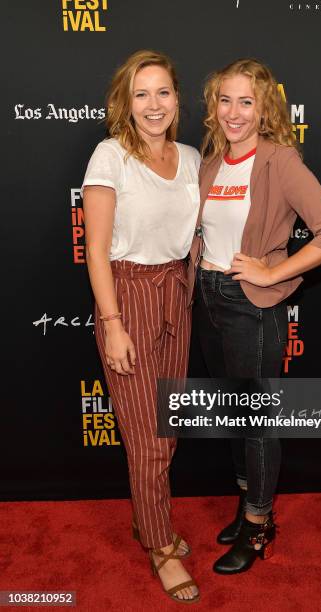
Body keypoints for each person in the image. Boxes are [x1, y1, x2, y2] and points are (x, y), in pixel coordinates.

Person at [187, 58, 321, 575]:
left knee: (256, 423)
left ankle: (259, 526)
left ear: (265, 110)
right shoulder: (211, 162)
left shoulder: (280, 160)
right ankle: (245, 507)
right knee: (236, 416)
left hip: (249, 307)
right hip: (207, 300)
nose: (234, 112)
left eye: (247, 101)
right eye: (225, 100)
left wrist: (269, 270)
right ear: (213, 107)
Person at [82, 50, 200, 603]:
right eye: (141, 94)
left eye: (163, 93)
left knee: (167, 426)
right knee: (148, 436)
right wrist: (113, 324)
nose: (154, 105)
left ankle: (146, 519)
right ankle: (158, 543)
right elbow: (96, 250)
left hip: (178, 293)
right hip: (128, 296)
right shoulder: (111, 156)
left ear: (177, 99)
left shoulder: (195, 158)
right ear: (125, 104)